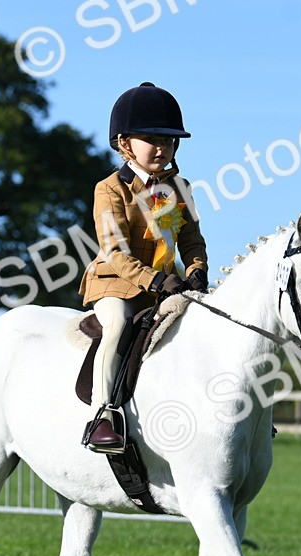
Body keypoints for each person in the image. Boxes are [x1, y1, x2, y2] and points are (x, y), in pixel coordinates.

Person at [79, 82, 209, 452]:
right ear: (125, 143)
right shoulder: (110, 189)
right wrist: (155, 280)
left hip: (165, 286)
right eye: (151, 139)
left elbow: (192, 240)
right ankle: (102, 417)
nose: (161, 148)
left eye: (168, 140)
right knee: (117, 325)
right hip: (116, 284)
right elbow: (115, 252)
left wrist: (196, 269)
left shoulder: (180, 189)